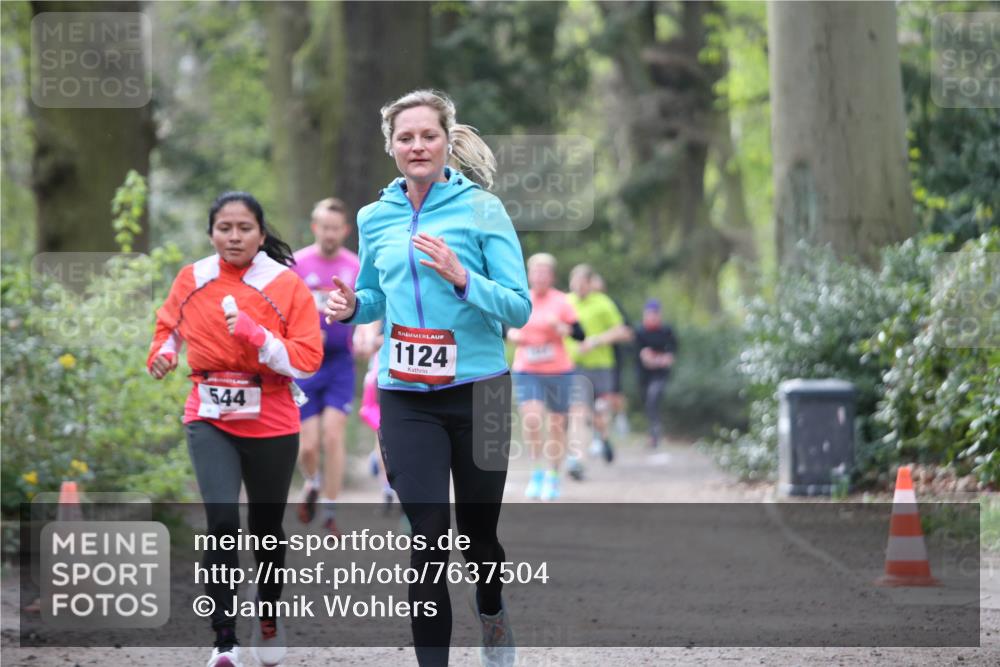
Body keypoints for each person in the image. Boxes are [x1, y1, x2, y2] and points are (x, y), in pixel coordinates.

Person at [324, 89, 530, 667]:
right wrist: (353, 308)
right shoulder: (374, 217)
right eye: (406, 137)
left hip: (482, 392)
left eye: (428, 135)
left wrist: (463, 278)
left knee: (479, 537)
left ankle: (491, 611)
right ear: (391, 146)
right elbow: (373, 296)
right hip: (405, 395)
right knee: (428, 537)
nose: (417, 145)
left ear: (446, 142)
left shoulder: (482, 210)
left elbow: (518, 307)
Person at [147, 192, 323, 667]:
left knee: (265, 529)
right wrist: (163, 354)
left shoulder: (285, 284)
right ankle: (224, 640)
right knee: (222, 523)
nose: (234, 236)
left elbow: (307, 360)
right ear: (211, 234)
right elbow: (169, 329)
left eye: (245, 228)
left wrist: (255, 333)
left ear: (261, 235)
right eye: (224, 228)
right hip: (210, 416)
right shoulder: (193, 278)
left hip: (272, 417)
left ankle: (267, 617)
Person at [291, 197, 360, 536]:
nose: (330, 234)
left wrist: (366, 334)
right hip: (305, 364)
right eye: (324, 227)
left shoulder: (355, 266)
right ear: (315, 227)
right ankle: (312, 482)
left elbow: (368, 308)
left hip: (339, 363)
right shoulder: (297, 264)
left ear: (344, 231)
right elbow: (282, 309)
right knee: (308, 445)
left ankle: (331, 511)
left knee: (333, 435)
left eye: (336, 228)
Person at [506, 253, 584, 501]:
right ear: (529, 275)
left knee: (556, 424)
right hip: (527, 369)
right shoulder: (521, 298)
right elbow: (506, 326)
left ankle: (553, 474)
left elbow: (579, 333)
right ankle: (537, 471)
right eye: (535, 272)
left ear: (552, 276)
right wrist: (512, 334)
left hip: (559, 370)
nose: (540, 276)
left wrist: (562, 328)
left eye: (544, 272)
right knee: (532, 419)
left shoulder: (561, 301)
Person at [566, 264, 632, 464]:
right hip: (575, 366)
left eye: (582, 283)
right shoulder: (565, 302)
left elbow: (622, 331)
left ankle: (604, 438)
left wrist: (595, 341)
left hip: (601, 366)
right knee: (578, 410)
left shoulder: (603, 303)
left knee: (600, 411)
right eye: (574, 282)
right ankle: (577, 459)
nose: (578, 287)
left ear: (589, 283)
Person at [590, 273, 631, 437]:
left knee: (614, 394)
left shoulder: (611, 304)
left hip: (612, 357)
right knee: (593, 399)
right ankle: (598, 434)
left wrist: (602, 339)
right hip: (587, 359)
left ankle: (620, 418)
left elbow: (627, 332)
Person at [633, 298, 678, 448]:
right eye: (649, 313)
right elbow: (635, 352)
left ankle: (655, 433)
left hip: (660, 374)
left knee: (653, 397)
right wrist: (644, 356)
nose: (652, 316)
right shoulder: (640, 332)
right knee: (648, 402)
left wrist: (665, 358)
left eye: (654, 313)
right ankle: (652, 432)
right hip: (644, 374)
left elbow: (673, 350)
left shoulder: (666, 331)